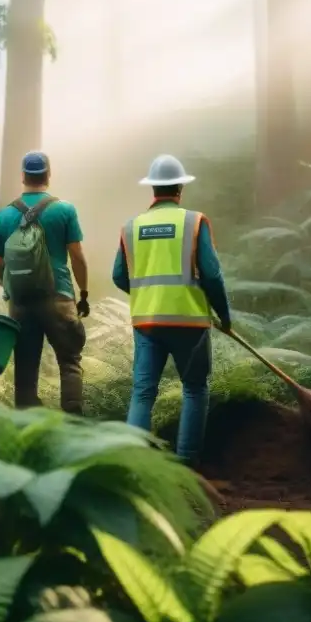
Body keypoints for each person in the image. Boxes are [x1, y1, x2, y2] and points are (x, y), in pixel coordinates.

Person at [112, 154, 231, 466]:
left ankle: (136, 464)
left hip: (147, 322)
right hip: (189, 322)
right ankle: (186, 465)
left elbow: (118, 276)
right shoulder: (194, 222)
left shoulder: (131, 227)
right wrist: (224, 315)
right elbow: (212, 274)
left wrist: (148, 295)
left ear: (153, 190)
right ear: (180, 187)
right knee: (194, 389)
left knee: (143, 393)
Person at [0, 151, 90, 414]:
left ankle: (27, 430)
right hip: (59, 296)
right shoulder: (64, 210)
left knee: (25, 367)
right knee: (69, 363)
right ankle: (73, 425)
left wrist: (13, 288)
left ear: (23, 176)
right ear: (48, 174)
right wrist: (84, 292)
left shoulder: (4, 216)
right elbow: (77, 257)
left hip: (21, 303)